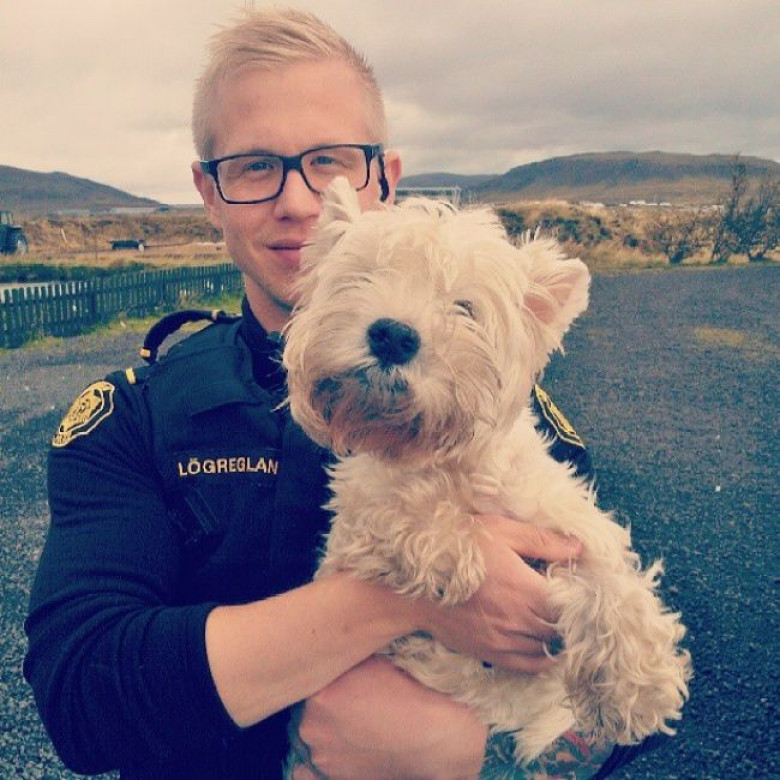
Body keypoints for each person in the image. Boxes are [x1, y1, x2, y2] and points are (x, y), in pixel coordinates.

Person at [24, 9, 661, 779]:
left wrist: (479, 759)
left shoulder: (502, 420)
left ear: (382, 179)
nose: (298, 202)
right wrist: (399, 601)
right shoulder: (133, 419)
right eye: (254, 166)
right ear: (208, 192)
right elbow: (83, 700)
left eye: (329, 161)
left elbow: (621, 702)